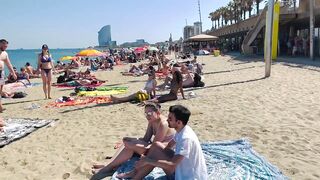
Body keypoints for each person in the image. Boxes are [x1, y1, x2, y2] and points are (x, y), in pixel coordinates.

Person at [117, 105, 208, 180]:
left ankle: (135, 177)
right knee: (156, 146)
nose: (167, 120)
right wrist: (150, 154)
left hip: (185, 177)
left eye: (170, 119)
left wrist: (148, 160)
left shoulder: (186, 139)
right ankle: (135, 173)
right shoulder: (182, 129)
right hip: (180, 168)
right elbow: (169, 146)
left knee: (153, 157)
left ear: (179, 122)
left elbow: (171, 166)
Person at [91, 103, 175, 180]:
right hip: (154, 147)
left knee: (130, 145)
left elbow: (155, 146)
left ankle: (108, 168)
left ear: (157, 112)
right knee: (127, 142)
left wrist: (134, 143)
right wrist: (133, 140)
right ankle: (109, 164)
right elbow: (146, 138)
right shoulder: (152, 120)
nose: (147, 116)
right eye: (145, 113)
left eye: (149, 113)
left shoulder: (163, 124)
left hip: (162, 151)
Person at [0, 39, 17, 112]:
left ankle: (0, 106)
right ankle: (0, 107)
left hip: (1, 72)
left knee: (0, 91)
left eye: (6, 45)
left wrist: (13, 73)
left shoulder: (5, 53)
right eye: (4, 45)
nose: (5, 46)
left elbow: (8, 64)